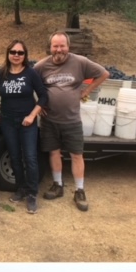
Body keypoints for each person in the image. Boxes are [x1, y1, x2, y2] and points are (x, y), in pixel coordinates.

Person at [34, 31, 109, 211]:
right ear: (50, 47)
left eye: (62, 46)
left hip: (72, 120)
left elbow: (104, 74)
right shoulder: (41, 66)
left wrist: (86, 91)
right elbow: (29, 84)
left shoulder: (80, 62)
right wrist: (38, 105)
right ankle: (58, 185)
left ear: (68, 46)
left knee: (76, 155)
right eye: (55, 46)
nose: (59, 49)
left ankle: (79, 190)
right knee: (54, 153)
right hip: (49, 120)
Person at [0, 39, 48, 214]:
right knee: (15, 157)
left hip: (27, 122)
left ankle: (32, 194)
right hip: (8, 122)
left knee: (30, 158)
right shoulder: (1, 73)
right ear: (8, 54)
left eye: (20, 53)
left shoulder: (30, 74)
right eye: (13, 52)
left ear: (25, 55)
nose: (16, 55)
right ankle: (21, 188)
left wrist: (32, 115)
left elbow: (43, 96)